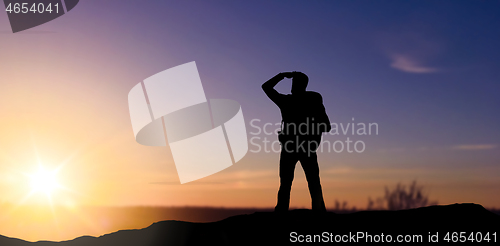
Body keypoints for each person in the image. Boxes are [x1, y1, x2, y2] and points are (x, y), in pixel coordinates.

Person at [262, 71, 331, 212]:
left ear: (302, 85)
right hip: (300, 147)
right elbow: (326, 126)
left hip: (295, 147)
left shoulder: (289, 101)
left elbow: (267, 87)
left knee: (295, 183)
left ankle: (286, 212)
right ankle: (318, 212)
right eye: (293, 82)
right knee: (304, 182)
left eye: (295, 82)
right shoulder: (312, 100)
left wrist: (281, 76)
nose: (293, 86)